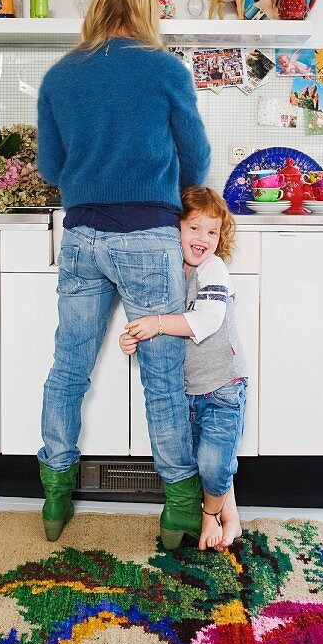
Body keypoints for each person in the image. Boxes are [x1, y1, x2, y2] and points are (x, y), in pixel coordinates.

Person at [36, 0, 211, 548]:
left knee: (68, 371)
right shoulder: (166, 71)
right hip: (147, 237)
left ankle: (55, 497)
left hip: (82, 237)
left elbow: (50, 169)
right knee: (162, 378)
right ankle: (180, 510)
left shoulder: (61, 75)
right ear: (146, 7)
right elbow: (198, 160)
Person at [119, 186, 246, 550]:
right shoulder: (172, 273)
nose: (203, 238)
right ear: (173, 229)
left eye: (212, 231)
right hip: (190, 389)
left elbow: (206, 320)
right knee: (210, 460)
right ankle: (231, 516)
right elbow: (147, 325)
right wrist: (132, 338)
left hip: (223, 384)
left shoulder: (213, 268)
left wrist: (155, 323)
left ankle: (210, 516)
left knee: (214, 461)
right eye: (194, 228)